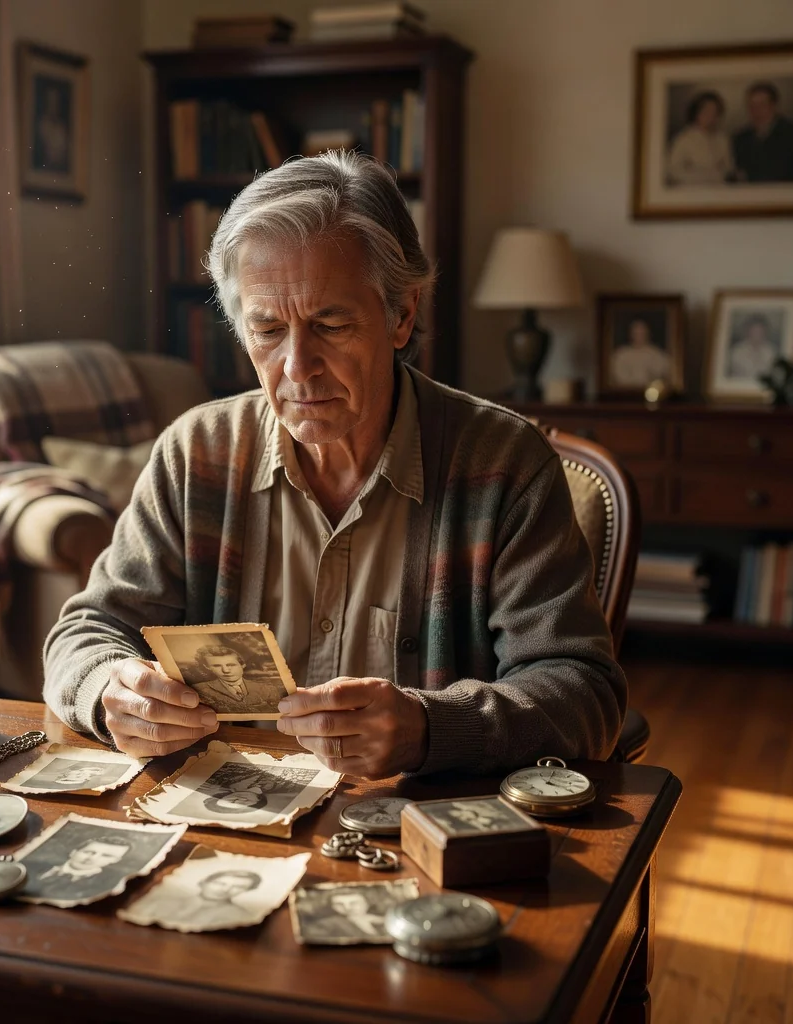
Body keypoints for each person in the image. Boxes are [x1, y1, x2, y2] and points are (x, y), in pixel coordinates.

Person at [44, 151, 626, 779]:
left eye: (331, 324)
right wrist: (110, 689)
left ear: (402, 315)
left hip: (414, 819)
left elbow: (583, 692)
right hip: (220, 817)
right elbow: (87, 630)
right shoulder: (195, 454)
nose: (298, 367)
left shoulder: (504, 465)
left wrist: (431, 728)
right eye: (268, 330)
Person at [733, 82, 793, 183]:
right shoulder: (740, 138)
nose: (756, 111)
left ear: (774, 106)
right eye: (752, 106)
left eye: (762, 105)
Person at [666, 90, 734, 186]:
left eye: (715, 112)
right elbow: (673, 171)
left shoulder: (722, 139)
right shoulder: (683, 139)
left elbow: (729, 169)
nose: (711, 117)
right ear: (696, 113)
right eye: (707, 111)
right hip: (692, 189)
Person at [191, 645, 285, 713]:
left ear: (242, 665)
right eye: (217, 666)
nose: (226, 670)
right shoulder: (200, 690)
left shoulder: (268, 690)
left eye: (231, 665)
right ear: (208, 668)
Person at [36, 836, 131, 899]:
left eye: (106, 856)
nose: (92, 858)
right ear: (73, 852)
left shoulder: (110, 884)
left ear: (115, 860)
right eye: (88, 852)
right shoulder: (39, 866)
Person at [609, 317, 672, 389]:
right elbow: (618, 378)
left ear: (648, 332)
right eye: (636, 332)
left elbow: (662, 376)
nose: (639, 334)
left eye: (642, 331)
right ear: (630, 333)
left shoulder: (658, 355)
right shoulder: (620, 355)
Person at [305, 890, 386, 941]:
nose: (347, 908)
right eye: (339, 904)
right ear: (332, 907)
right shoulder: (327, 924)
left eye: (354, 903)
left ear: (367, 903)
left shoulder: (381, 920)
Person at [727, 314, 780, 379]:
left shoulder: (771, 351)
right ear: (748, 332)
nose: (757, 335)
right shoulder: (736, 351)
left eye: (760, 332)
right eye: (754, 331)